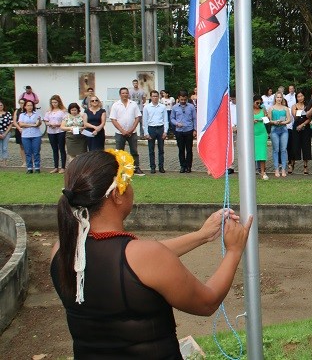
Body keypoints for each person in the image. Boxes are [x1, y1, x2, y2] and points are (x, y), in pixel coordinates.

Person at [51, 149, 252, 359]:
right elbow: (206, 302)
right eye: (128, 182)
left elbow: (136, 264)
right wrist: (234, 251)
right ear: (117, 196)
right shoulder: (144, 256)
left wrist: (201, 236)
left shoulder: (61, 250)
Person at [110, 87, 144, 176]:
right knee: (119, 152)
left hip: (132, 133)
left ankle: (136, 167)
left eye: (126, 93)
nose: (125, 95)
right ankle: (119, 168)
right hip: (120, 133)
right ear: (120, 94)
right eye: (123, 93)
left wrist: (132, 128)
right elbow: (113, 119)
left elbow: (138, 117)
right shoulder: (115, 105)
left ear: (128, 94)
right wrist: (122, 130)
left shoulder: (133, 104)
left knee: (134, 151)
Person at [142, 90, 169, 174]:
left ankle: (161, 166)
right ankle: (152, 167)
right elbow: (144, 121)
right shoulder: (146, 107)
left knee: (161, 149)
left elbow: (165, 120)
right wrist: (146, 132)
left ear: (159, 97)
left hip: (160, 128)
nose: (155, 98)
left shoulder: (162, 107)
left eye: (156, 96)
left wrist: (165, 131)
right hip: (151, 128)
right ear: (150, 97)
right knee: (151, 149)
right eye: (153, 96)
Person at [170, 91, 197, 174]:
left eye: (184, 99)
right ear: (178, 98)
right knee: (181, 149)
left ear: (187, 98)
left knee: (189, 150)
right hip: (179, 131)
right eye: (181, 99)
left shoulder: (191, 107)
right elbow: (172, 118)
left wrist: (195, 130)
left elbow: (194, 119)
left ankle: (189, 166)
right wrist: (177, 123)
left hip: (189, 130)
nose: (183, 101)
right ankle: (182, 166)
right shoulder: (174, 107)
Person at [267, 92, 292, 178]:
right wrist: (274, 122)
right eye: (277, 97)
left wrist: (282, 122)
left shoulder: (285, 108)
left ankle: (283, 169)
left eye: (280, 97)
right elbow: (269, 120)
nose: (279, 99)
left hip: (284, 129)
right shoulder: (271, 108)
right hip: (274, 130)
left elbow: (289, 120)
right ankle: (276, 169)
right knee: (275, 150)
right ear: (275, 99)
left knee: (283, 149)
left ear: (282, 98)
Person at [289, 91, 312, 175]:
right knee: (295, 146)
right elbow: (295, 116)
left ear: (304, 96)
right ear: (296, 98)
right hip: (296, 127)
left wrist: (302, 125)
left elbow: (309, 118)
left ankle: (305, 166)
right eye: (298, 96)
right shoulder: (294, 106)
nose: (300, 98)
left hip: (305, 127)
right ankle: (292, 164)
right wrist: (299, 112)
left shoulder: (308, 106)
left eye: (301, 96)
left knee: (306, 146)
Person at [44, 95, 68, 173]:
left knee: (61, 148)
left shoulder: (63, 111)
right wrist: (50, 124)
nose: (54, 104)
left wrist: (58, 124)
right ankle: (55, 167)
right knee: (54, 149)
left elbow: (65, 121)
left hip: (60, 131)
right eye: (52, 102)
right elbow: (46, 121)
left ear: (59, 102)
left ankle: (63, 167)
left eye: (55, 102)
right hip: (51, 131)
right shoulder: (49, 112)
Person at [17, 99, 42, 173]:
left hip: (36, 135)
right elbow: (21, 124)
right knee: (28, 152)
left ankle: (37, 167)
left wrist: (38, 123)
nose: (30, 107)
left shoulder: (36, 114)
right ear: (25, 106)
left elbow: (38, 124)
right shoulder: (22, 115)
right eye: (28, 105)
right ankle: (29, 168)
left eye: (31, 105)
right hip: (25, 135)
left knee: (36, 151)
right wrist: (32, 125)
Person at [252, 96, 269, 180]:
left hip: (262, 133)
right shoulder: (248, 110)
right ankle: (251, 172)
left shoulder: (263, 109)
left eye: (260, 103)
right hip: (252, 134)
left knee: (262, 153)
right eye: (257, 103)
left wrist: (265, 117)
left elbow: (267, 120)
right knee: (252, 153)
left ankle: (263, 172)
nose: (258, 104)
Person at [0, 99, 12, 167]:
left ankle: (4, 162)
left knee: (5, 147)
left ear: (3, 106)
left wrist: (5, 133)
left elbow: (10, 124)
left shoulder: (8, 113)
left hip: (6, 132)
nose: (0, 106)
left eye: (1, 105)